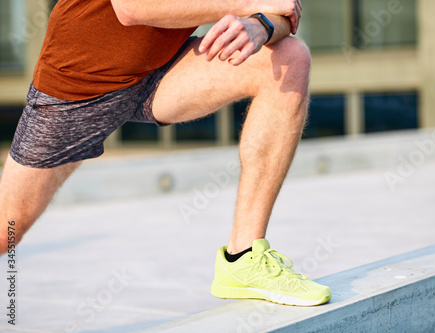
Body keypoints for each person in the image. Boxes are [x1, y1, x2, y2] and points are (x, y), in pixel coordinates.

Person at [0, 0, 331, 306]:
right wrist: (246, 4)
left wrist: (261, 25)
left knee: (290, 57)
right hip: (77, 89)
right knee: (6, 231)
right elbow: (132, 8)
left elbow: (285, 11)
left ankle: (242, 258)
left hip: (160, 75)